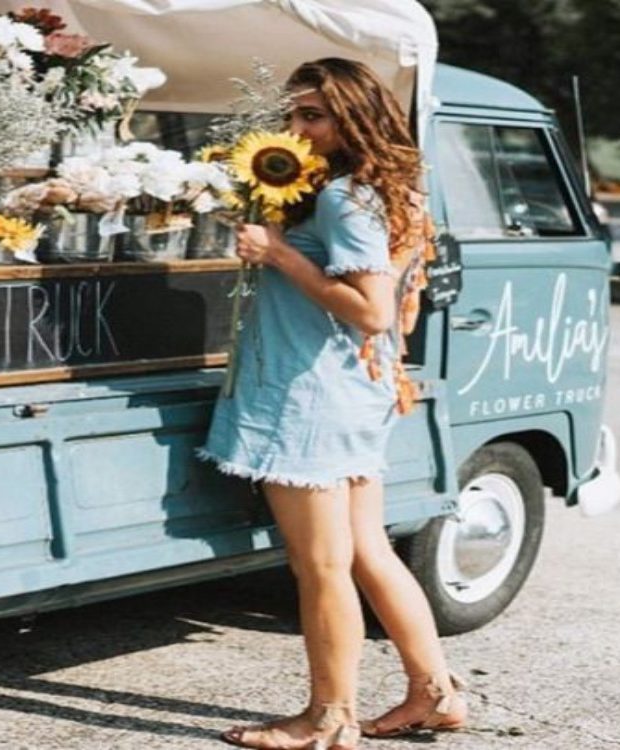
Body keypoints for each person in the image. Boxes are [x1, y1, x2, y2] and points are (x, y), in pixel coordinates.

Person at [197, 58, 468, 750]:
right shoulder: (384, 189)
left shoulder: (346, 197)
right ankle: (434, 693)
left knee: (320, 567)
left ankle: (328, 717)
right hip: (351, 389)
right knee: (369, 551)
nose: (298, 128)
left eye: (313, 115)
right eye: (292, 115)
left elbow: (371, 310)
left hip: (311, 397)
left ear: (354, 116)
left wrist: (279, 254)